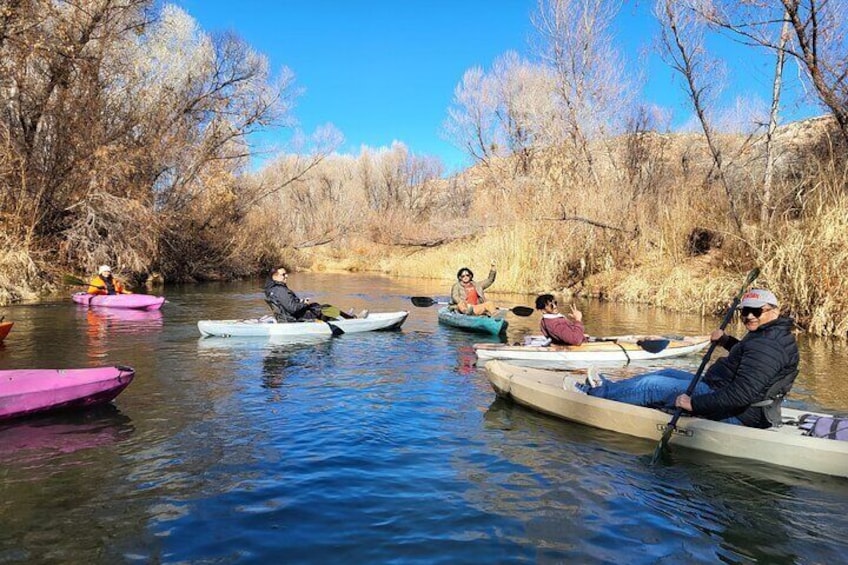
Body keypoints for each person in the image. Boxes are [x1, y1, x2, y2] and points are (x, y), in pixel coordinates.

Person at [578, 288, 799, 428]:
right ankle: (612, 389)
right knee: (664, 373)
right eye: (745, 311)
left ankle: (591, 396)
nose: (749, 316)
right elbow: (750, 359)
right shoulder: (770, 335)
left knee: (652, 386)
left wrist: (694, 404)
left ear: (774, 311)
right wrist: (727, 342)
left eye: (756, 311)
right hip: (722, 389)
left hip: (741, 413)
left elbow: (742, 394)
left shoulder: (767, 344)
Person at [263, 267, 366, 322]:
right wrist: (305, 304)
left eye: (286, 274)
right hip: (294, 318)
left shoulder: (273, 289)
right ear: (274, 277)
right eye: (283, 275)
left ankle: (345, 316)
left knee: (319, 307)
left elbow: (289, 305)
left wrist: (301, 302)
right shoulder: (280, 290)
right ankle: (351, 319)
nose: (286, 276)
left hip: (289, 316)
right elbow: (293, 308)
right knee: (326, 308)